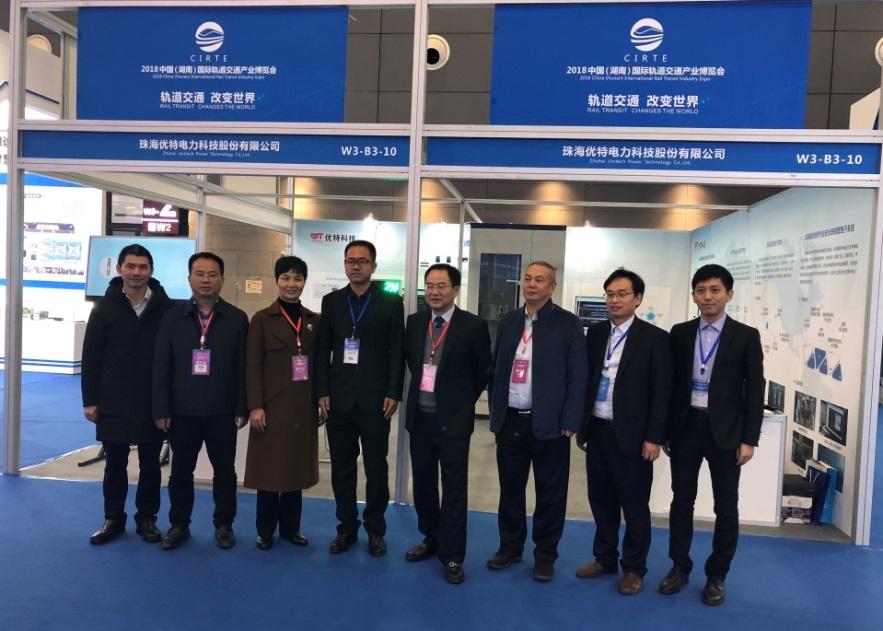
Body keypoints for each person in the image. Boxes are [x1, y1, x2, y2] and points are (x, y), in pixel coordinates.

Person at [660, 264, 764, 606]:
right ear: (694, 295)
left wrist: (749, 438)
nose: (708, 296)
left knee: (726, 507)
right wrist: (664, 429)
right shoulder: (680, 333)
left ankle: (717, 575)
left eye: (715, 290)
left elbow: (755, 391)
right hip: (686, 428)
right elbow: (670, 385)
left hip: (726, 433)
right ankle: (679, 566)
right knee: (681, 501)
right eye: (701, 290)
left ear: (729, 294)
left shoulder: (746, 336)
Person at [486, 261, 587, 582]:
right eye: (527, 278)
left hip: (551, 425)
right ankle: (510, 547)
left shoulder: (568, 324)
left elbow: (578, 376)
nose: (531, 284)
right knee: (510, 490)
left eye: (539, 280)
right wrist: (496, 412)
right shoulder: (509, 321)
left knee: (550, 494)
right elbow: (496, 369)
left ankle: (545, 555)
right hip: (510, 422)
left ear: (552, 286)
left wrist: (572, 418)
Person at [576, 268, 672, 595]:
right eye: (610, 295)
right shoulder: (596, 333)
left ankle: (633, 568)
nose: (614, 300)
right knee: (601, 500)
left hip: (634, 437)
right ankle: (604, 558)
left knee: (634, 506)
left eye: (622, 294)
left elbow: (662, 392)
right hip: (598, 431)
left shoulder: (655, 339)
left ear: (638, 298)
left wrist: (654, 437)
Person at [152, 252, 249, 550]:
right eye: (200, 274)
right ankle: (179, 525)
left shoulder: (236, 318)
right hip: (182, 411)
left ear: (223, 279)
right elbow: (161, 365)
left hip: (223, 411)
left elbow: (243, 368)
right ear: (189, 278)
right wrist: (161, 408)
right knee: (181, 472)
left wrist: (242, 407)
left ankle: (224, 525)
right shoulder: (173, 317)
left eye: (212, 274)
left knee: (225, 472)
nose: (206, 280)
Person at [315, 239, 405, 556]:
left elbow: (397, 351)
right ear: (345, 265)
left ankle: (375, 530)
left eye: (362, 261)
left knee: (376, 468)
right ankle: (346, 528)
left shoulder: (390, 302)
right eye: (351, 261)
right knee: (342, 468)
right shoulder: (331, 301)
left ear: (373, 266)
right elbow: (322, 349)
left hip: (376, 399)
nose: (356, 266)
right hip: (338, 398)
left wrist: (393, 391)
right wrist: (322, 391)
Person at [403, 263, 491, 584]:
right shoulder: (415, 323)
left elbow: (483, 370)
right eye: (430, 286)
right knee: (423, 486)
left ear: (455, 290)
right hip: (420, 420)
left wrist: (462, 402)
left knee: (453, 489)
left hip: (453, 423)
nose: (434, 292)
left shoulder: (473, 326)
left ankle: (452, 555)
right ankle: (431, 537)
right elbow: (413, 363)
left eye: (441, 286)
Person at [81, 244, 174, 545]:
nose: (136, 272)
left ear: (151, 271)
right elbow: (91, 356)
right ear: (119, 268)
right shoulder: (103, 307)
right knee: (115, 464)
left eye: (142, 267)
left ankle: (147, 519)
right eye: (130, 266)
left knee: (151, 465)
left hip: (152, 400)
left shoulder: (166, 308)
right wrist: (89, 400)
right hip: (113, 399)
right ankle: (113, 519)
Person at [244, 256, 321, 550]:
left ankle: (291, 529)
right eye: (286, 278)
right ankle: (265, 531)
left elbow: (319, 366)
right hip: (271, 408)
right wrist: (256, 405)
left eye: (297, 278)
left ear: (304, 282)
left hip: (302, 405)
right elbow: (252, 366)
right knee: (268, 471)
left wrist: (319, 400)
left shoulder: (313, 320)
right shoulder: (262, 320)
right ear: (277, 281)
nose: (291, 284)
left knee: (294, 470)